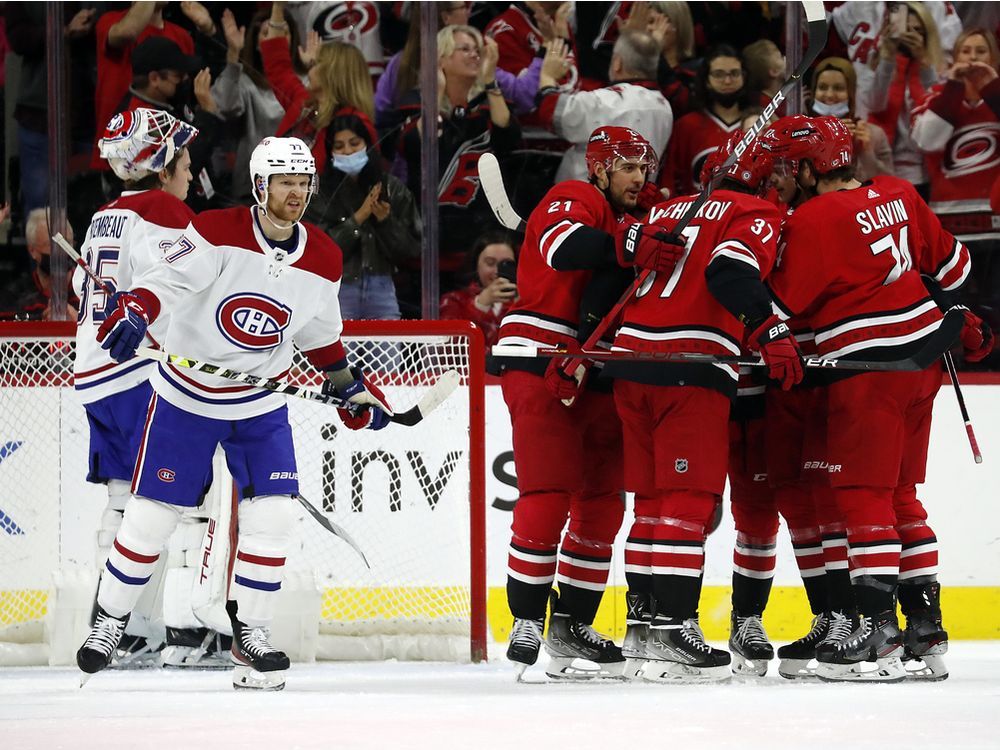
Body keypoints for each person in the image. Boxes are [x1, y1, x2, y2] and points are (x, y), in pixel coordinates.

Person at [74, 135, 394, 691]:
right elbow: (165, 282)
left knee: (275, 515)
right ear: (260, 185)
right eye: (285, 182)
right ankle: (110, 619)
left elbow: (322, 339)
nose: (296, 193)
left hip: (259, 399)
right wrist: (135, 309)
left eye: (303, 182)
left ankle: (252, 634)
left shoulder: (324, 256)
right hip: (187, 393)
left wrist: (350, 390)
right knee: (153, 515)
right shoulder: (217, 231)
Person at [763, 116, 990, 682]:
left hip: (868, 366)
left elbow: (780, 305)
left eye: (795, 166)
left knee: (863, 496)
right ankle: (925, 630)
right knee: (901, 496)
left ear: (813, 169)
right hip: (924, 360)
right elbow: (956, 266)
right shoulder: (898, 192)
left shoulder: (813, 219)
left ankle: (877, 630)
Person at [609, 131, 799, 683]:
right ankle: (673, 629)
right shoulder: (756, 211)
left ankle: (643, 631)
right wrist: (771, 327)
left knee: (648, 504)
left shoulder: (669, 206)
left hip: (628, 360)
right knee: (685, 503)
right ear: (762, 178)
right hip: (688, 362)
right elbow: (728, 271)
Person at [495, 126, 662, 680]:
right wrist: (630, 242)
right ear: (600, 168)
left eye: (645, 167)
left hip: (602, 364)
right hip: (542, 354)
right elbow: (564, 248)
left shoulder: (631, 221)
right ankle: (526, 618)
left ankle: (572, 623)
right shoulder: (577, 196)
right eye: (628, 166)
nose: (639, 177)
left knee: (603, 501)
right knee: (548, 492)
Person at [73, 108, 230, 668]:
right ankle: (189, 631)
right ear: (162, 166)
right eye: (184, 158)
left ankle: (124, 630)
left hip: (96, 373)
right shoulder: (164, 208)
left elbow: (80, 284)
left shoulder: (103, 218)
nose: (191, 169)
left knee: (124, 500)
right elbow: (198, 274)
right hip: (142, 375)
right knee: (184, 497)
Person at [397, 25, 521, 289]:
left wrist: (490, 81)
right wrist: (436, 91)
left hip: (480, 241)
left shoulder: (489, 105)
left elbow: (509, 139)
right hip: (431, 245)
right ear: (441, 58)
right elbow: (416, 145)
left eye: (477, 50)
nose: (474, 55)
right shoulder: (415, 103)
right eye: (464, 49)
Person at [911, 28, 1000, 367]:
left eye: (981, 51)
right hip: (949, 223)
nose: (973, 58)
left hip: (995, 220)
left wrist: (992, 88)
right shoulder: (937, 95)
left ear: (993, 58)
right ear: (954, 57)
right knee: (958, 306)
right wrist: (953, 88)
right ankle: (959, 366)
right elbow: (929, 141)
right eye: (966, 51)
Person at [305, 107, 421, 320]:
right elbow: (318, 251)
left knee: (389, 353)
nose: (348, 151)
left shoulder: (392, 188)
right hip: (339, 288)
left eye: (355, 143)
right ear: (330, 152)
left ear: (368, 144)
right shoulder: (319, 194)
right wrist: (359, 217)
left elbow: (412, 250)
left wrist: (386, 221)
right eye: (339, 146)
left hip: (382, 286)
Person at [535, 29, 673, 185]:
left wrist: (547, 77)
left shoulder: (607, 101)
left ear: (617, 63)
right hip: (636, 198)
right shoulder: (665, 107)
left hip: (586, 200)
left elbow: (551, 111)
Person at [260, 1, 376, 172]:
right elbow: (277, 67)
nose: (310, 67)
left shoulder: (353, 123)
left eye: (316, 63)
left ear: (331, 74)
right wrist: (278, 7)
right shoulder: (306, 105)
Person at [109, 36, 223, 208]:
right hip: (170, 212)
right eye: (178, 75)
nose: (185, 79)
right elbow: (180, 163)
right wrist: (207, 113)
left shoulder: (169, 100)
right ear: (154, 78)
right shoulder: (137, 121)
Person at [211, 7, 306, 201]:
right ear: (256, 43)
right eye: (266, 33)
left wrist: (313, 70)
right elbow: (224, 107)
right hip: (254, 188)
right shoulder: (245, 81)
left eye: (282, 32)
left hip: (299, 184)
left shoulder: (306, 81)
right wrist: (233, 55)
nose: (274, 38)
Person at [864, 2, 946, 193]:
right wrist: (887, 57)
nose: (911, 36)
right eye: (905, 30)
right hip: (886, 169)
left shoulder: (938, 70)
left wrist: (924, 61)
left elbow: (937, 110)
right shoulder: (880, 65)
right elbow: (875, 104)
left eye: (918, 31)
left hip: (927, 172)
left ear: (927, 36)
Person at [659, 44, 752, 198]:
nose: (728, 81)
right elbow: (671, 181)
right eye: (719, 74)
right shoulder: (687, 126)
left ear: (744, 76)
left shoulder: (758, 124)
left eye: (734, 73)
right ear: (706, 79)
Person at [808, 57, 894, 181]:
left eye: (838, 88)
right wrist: (827, 140)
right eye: (822, 87)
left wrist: (866, 151)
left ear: (851, 92)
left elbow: (889, 184)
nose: (830, 95)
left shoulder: (873, 134)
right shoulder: (801, 134)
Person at [439, 231, 517, 347]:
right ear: (476, 264)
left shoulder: (525, 303)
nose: (496, 271)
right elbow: (448, 348)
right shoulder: (453, 301)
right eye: (490, 263)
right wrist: (480, 306)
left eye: (506, 265)